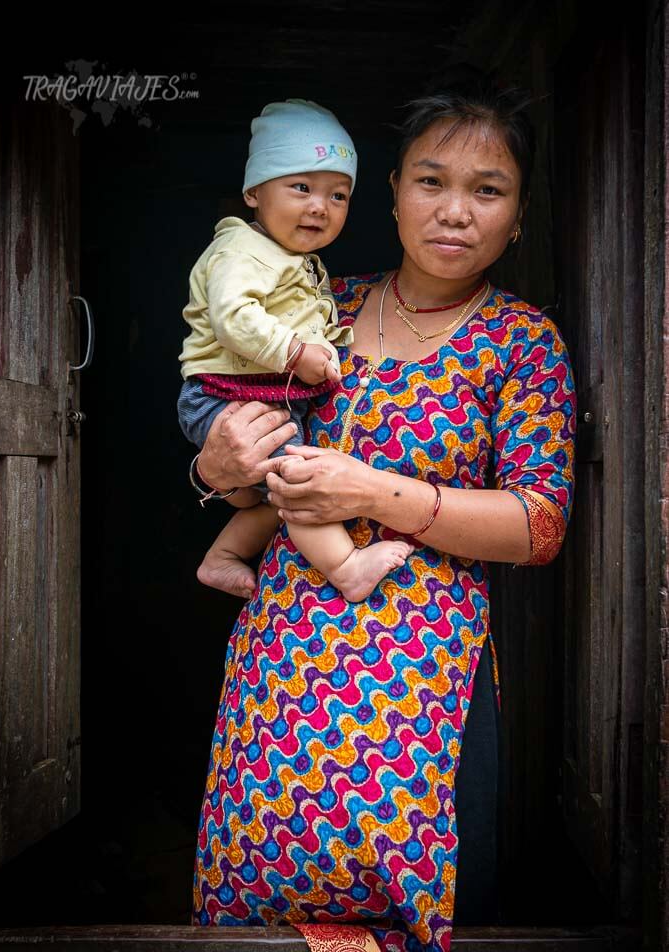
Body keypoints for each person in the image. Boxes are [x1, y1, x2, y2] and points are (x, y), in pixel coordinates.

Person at [189, 79, 577, 952]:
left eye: (488, 190)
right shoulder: (314, 309)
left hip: (421, 672)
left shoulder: (520, 342)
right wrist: (213, 468)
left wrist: (371, 494)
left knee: (422, 900)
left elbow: (539, 526)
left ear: (517, 219)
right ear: (393, 193)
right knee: (262, 892)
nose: (454, 211)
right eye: (431, 181)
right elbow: (252, 463)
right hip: (284, 662)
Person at [178, 98, 413, 604]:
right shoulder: (241, 251)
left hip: (255, 397)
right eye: (301, 187)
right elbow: (233, 317)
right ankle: (347, 568)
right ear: (254, 192)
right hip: (227, 396)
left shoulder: (291, 260)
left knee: (277, 493)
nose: (319, 206)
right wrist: (295, 354)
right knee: (300, 483)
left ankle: (220, 558)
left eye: (338, 195)